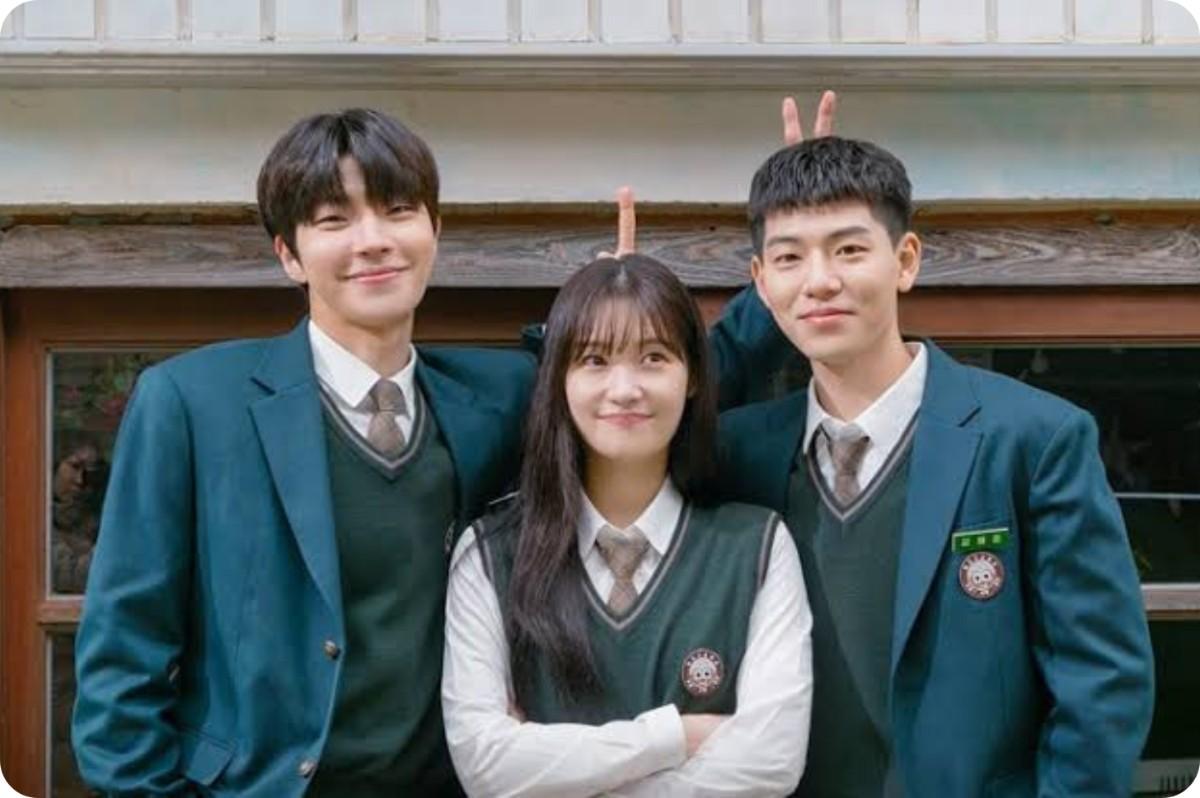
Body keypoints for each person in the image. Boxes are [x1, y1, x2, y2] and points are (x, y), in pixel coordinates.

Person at [71, 106, 795, 796]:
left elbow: (651, 396)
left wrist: (774, 260)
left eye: (397, 210)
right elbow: (122, 663)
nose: (373, 240)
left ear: (434, 230)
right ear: (289, 253)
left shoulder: (496, 398)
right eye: (335, 219)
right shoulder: (193, 404)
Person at [718, 135, 1155, 796]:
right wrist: (615, 308)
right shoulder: (739, 454)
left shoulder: (1034, 440)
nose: (820, 280)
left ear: (905, 261)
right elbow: (625, 422)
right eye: (789, 257)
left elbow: (1102, 685)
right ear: (760, 283)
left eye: (849, 249)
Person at [443, 254, 813, 796]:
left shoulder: (757, 547)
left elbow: (772, 760)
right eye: (595, 360)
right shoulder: (490, 553)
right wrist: (674, 736)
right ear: (559, 379)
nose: (624, 388)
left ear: (692, 376)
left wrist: (556, 774)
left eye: (653, 358)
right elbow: (485, 765)